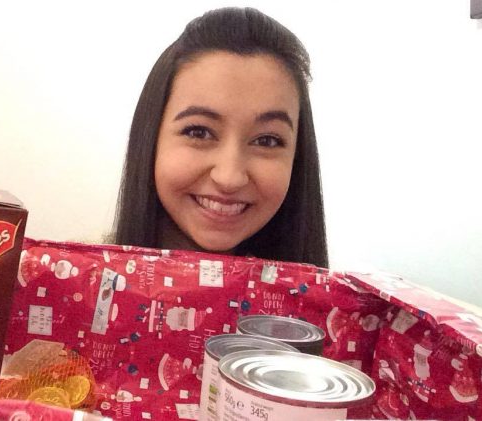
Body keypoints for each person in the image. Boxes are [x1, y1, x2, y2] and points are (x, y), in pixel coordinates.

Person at [112, 7, 328, 268]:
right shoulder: (72, 291)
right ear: (151, 138)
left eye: (267, 140)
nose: (229, 178)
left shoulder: (339, 306)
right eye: (199, 132)